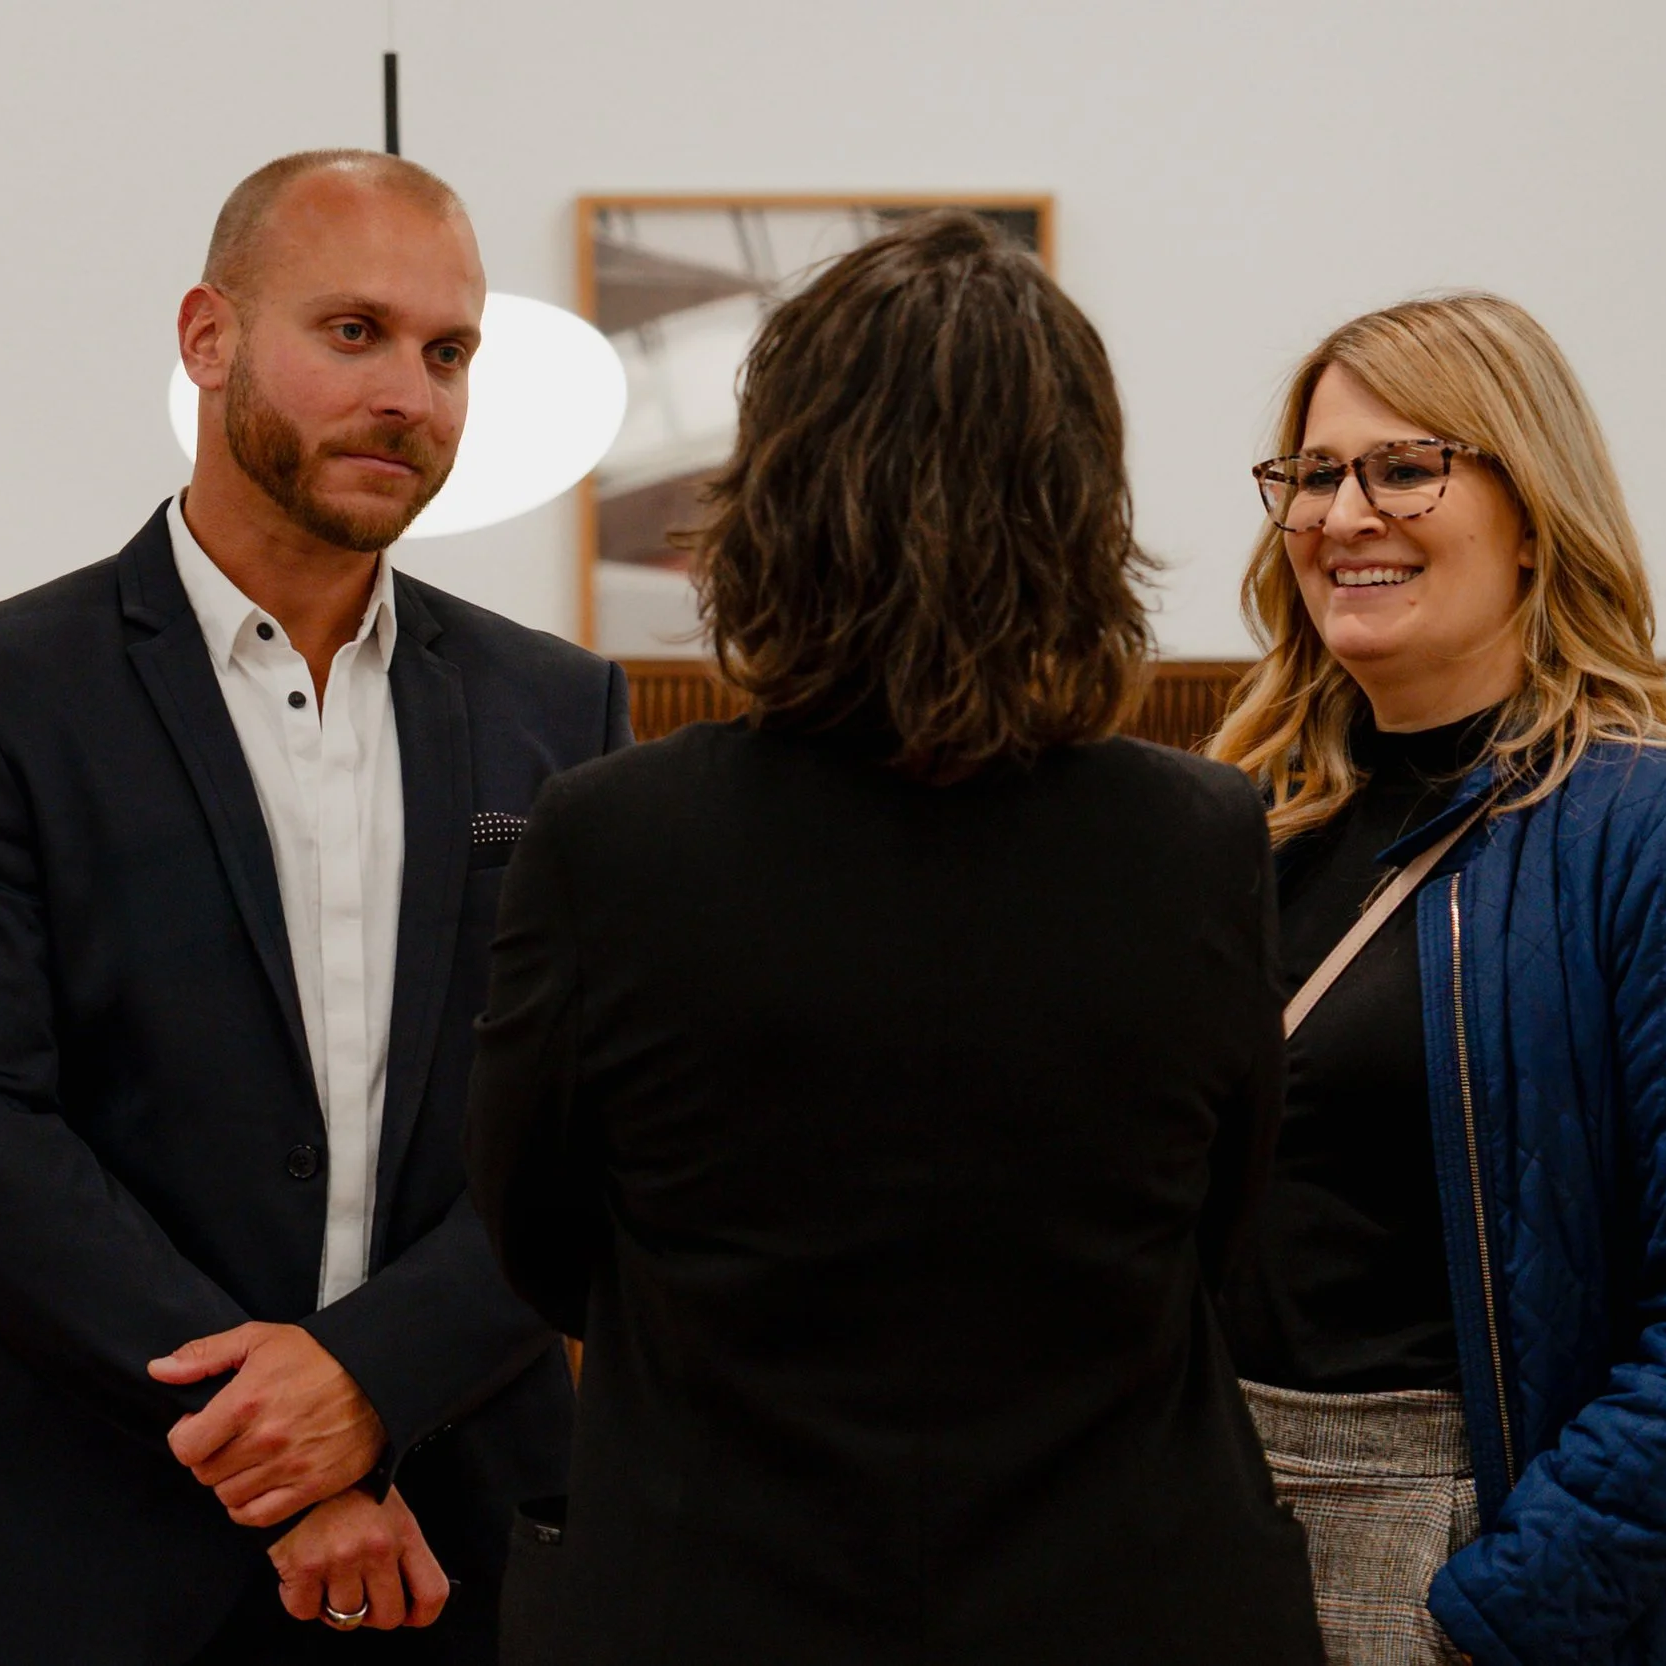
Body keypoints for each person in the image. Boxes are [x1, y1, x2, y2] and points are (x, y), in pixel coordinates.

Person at [461, 211, 1325, 1666]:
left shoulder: (610, 838)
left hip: (712, 1591)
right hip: (1125, 1593)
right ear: (1076, 508)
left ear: (780, 489)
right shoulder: (1198, 837)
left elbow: (541, 1243)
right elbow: (1219, 1230)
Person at [0, 150, 631, 1665]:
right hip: (84, 1541)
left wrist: (376, 1388)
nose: (409, 389)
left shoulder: (560, 706)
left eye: (449, 350)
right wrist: (284, 1452)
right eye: (353, 332)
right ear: (208, 338)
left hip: (467, 1531)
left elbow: (595, 1131)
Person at [1208, 293, 1666, 1665]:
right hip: (1223, 1538)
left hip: (1473, 1555)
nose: (1342, 513)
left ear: (1536, 514)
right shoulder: (1245, 827)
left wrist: (1497, 1611)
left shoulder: (1665, 833)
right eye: (1313, 474)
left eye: (1405, 466)